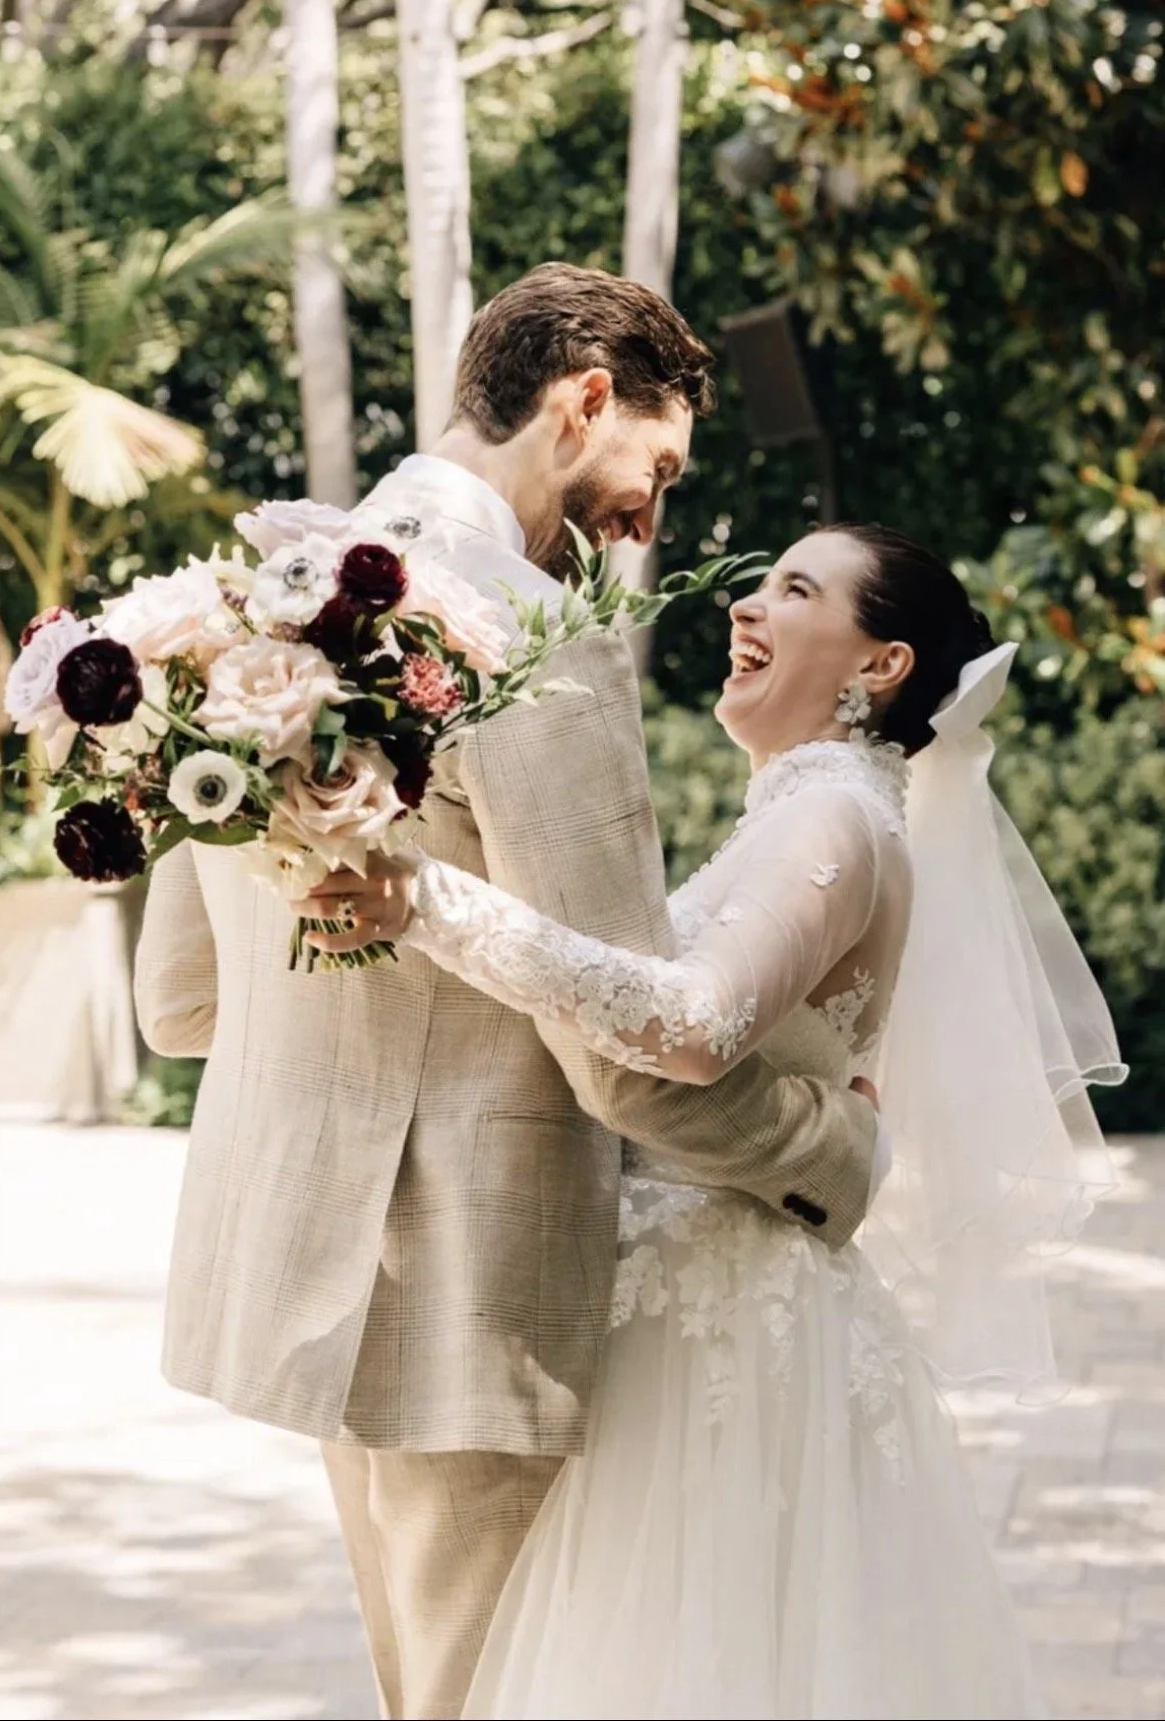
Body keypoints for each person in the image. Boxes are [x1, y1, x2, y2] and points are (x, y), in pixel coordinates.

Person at [132, 264, 887, 1721]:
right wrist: (826, 1152)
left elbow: (181, 999)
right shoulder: (527, 637)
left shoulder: (262, 596)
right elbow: (618, 1056)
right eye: (652, 469)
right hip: (477, 1286)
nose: (648, 522)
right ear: (584, 400)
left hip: (299, 1257)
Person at [302, 522, 1124, 1719]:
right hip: (706, 1293)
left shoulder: (836, 817)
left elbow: (687, 1024)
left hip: (725, 1322)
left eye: (794, 589)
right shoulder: (810, 810)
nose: (746, 605)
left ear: (878, 665)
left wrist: (426, 900)